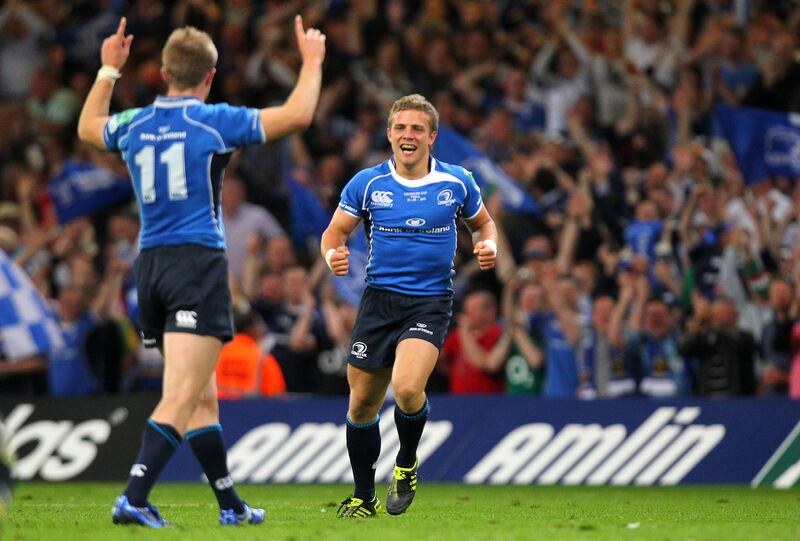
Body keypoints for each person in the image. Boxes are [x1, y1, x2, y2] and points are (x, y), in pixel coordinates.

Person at [76, 16, 325, 527]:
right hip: (196, 266)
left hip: (150, 270)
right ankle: (135, 497)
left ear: (164, 71)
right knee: (182, 394)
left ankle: (230, 505)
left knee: (201, 395)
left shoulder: (133, 124)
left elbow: (86, 128)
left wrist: (107, 69)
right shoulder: (213, 121)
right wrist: (314, 59)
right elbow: (298, 114)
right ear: (209, 76)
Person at [320, 94, 497, 517]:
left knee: (406, 388)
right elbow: (333, 233)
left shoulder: (457, 182)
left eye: (417, 128)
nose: (408, 135)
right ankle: (364, 498)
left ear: (432, 137)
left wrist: (486, 243)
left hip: (429, 302)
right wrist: (333, 256)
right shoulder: (366, 184)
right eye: (400, 128)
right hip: (378, 302)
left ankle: (406, 464)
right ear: (389, 134)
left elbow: (483, 223)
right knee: (361, 403)